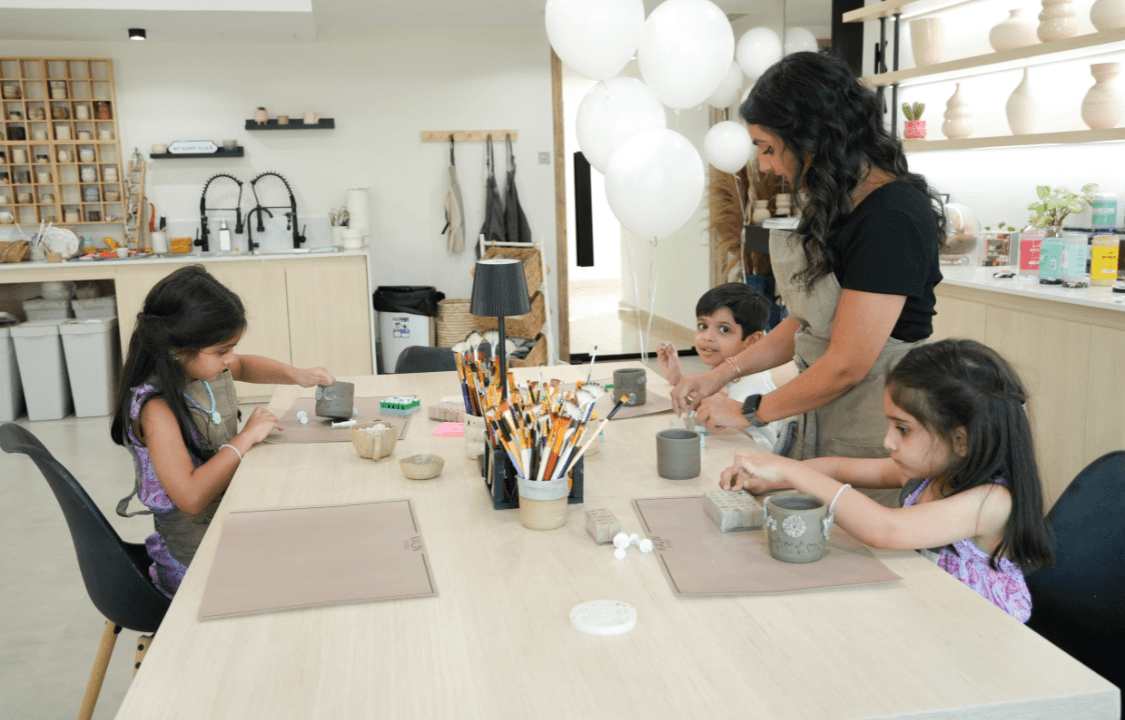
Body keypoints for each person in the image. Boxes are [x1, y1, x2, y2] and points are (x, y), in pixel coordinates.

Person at [670, 52, 946, 506]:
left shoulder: (892, 216)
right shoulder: (836, 203)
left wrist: (748, 412)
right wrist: (722, 374)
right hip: (823, 415)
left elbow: (846, 364)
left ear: (811, 136)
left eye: (767, 147)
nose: (764, 166)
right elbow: (806, 322)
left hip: (874, 425)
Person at [720, 340, 1054, 622]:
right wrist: (772, 479)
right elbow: (838, 469)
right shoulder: (933, 473)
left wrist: (792, 471)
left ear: (960, 440)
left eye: (903, 429)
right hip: (931, 614)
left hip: (977, 636)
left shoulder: (990, 503)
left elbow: (885, 529)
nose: (888, 442)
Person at [110, 265, 335, 597]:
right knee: (307, 571)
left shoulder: (198, 368)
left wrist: (297, 375)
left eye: (232, 347)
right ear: (177, 347)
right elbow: (190, 497)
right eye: (222, 350)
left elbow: (244, 364)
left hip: (224, 523)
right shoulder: (155, 409)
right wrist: (244, 438)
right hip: (194, 558)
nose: (231, 359)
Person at [656, 282, 781, 452]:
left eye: (724, 329)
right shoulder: (720, 371)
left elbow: (767, 448)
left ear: (752, 341)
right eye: (703, 326)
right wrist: (678, 379)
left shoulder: (755, 387)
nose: (707, 337)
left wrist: (734, 420)